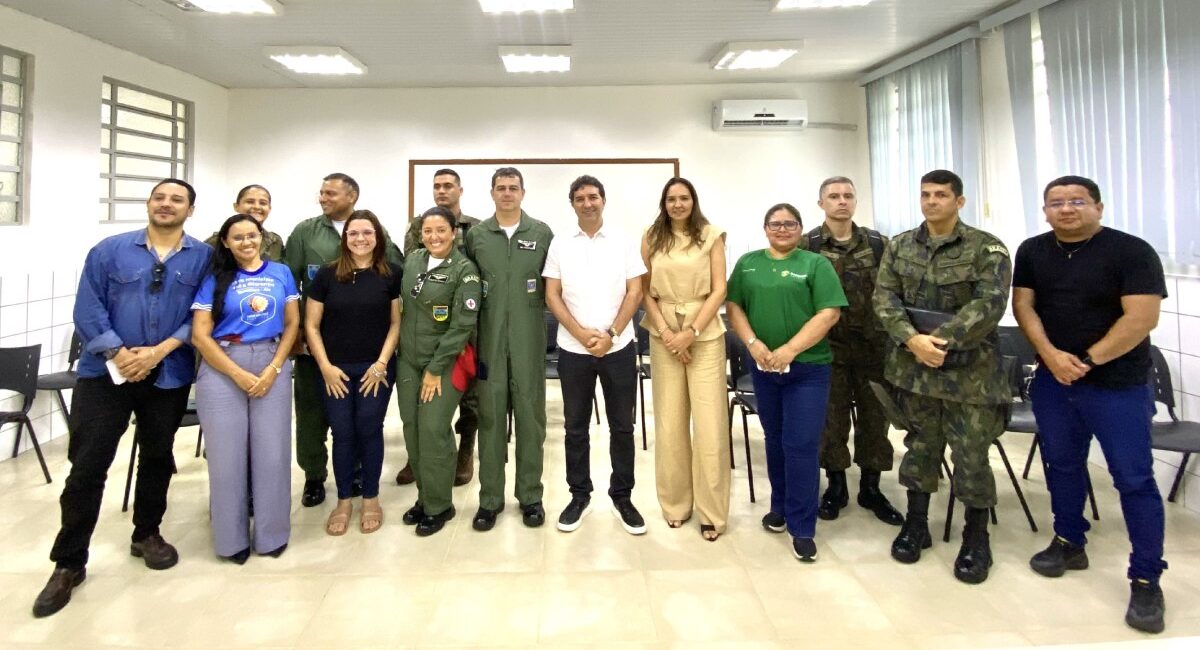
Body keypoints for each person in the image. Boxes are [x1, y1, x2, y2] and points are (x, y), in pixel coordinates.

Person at [33, 179, 212, 618]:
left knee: (157, 456)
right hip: (104, 375)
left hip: (166, 373)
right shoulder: (109, 251)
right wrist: (118, 351)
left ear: (190, 210)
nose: (166, 205)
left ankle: (146, 533)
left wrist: (158, 351)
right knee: (88, 465)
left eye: (177, 200)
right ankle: (69, 562)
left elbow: (202, 314)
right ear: (149, 204)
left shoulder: (204, 258)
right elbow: (87, 307)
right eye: (160, 197)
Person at [1013, 175, 1168, 633]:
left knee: (1134, 479)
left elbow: (1142, 318)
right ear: (1045, 211)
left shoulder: (1131, 251)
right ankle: (1068, 540)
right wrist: (1050, 357)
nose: (1066, 209)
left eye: (1077, 201)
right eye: (1056, 203)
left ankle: (1145, 577)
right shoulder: (1034, 251)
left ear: (1098, 207)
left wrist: (1083, 361)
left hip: (1117, 384)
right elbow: (1024, 307)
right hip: (1054, 381)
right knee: (1062, 464)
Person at [872, 169, 1011, 585]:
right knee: (920, 449)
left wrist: (940, 341)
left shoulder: (986, 248)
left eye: (941, 195)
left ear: (959, 201)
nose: (931, 201)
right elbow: (885, 296)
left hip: (969, 375)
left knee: (970, 456)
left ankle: (976, 537)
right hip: (916, 372)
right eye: (925, 195)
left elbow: (990, 304)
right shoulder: (899, 246)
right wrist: (912, 341)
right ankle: (917, 525)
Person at [727, 203, 846, 562]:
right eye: (775, 224)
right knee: (775, 440)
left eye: (789, 223)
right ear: (765, 228)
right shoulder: (748, 263)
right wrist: (754, 345)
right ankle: (779, 507)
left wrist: (790, 350)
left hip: (807, 370)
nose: (782, 229)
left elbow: (830, 313)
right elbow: (735, 307)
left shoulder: (815, 264)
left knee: (801, 445)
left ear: (800, 228)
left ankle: (802, 525)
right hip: (763, 368)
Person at [284, 173, 403, 508]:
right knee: (320, 419)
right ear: (345, 238)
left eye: (331, 193)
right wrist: (302, 343)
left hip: (372, 358)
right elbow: (288, 285)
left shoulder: (383, 252)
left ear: (353, 195)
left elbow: (395, 301)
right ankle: (319, 480)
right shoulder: (307, 235)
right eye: (321, 192)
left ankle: (366, 486)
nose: (323, 198)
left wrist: (382, 363)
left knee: (366, 422)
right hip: (320, 352)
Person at [191, 214, 300, 563]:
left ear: (261, 237)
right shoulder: (213, 278)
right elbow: (199, 335)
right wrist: (237, 374)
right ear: (225, 242)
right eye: (237, 237)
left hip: (271, 361)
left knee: (273, 454)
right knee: (226, 459)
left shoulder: (281, 273)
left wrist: (274, 367)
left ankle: (271, 536)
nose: (246, 243)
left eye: (251, 236)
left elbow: (293, 322)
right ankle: (230, 541)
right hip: (223, 366)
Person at [544, 175, 647, 535]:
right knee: (575, 427)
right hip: (574, 351)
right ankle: (579, 495)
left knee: (622, 426)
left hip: (618, 348)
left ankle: (622, 496)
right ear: (572, 204)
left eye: (593, 197)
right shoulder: (559, 244)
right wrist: (579, 333)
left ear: (604, 200)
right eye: (580, 198)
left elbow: (635, 291)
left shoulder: (623, 241)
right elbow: (552, 295)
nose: (587, 203)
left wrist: (612, 333)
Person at [805, 177, 902, 525]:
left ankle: (872, 487)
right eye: (833, 196)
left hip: (874, 350)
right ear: (822, 204)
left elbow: (897, 293)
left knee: (876, 422)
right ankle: (836, 486)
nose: (841, 201)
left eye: (848, 195)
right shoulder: (808, 245)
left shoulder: (879, 244)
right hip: (827, 350)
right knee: (831, 422)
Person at [640, 177, 730, 541]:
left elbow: (720, 287)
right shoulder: (651, 236)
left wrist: (690, 332)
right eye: (671, 198)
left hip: (703, 332)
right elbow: (642, 289)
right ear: (664, 202)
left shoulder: (711, 235)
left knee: (709, 425)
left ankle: (712, 513)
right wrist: (666, 333)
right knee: (671, 423)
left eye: (684, 198)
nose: (677, 204)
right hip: (663, 332)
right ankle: (675, 505)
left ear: (693, 200)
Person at [464, 167, 554, 531]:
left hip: (530, 345)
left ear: (523, 192)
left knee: (532, 422)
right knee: (490, 421)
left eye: (512, 188)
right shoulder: (477, 236)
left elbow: (556, 287)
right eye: (500, 188)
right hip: (488, 345)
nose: (506, 193)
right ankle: (490, 500)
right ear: (491, 193)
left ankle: (531, 497)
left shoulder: (542, 233)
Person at [304, 210, 402, 535]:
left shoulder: (391, 274)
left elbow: (396, 323)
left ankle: (371, 498)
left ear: (378, 237)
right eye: (353, 233)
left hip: (376, 369)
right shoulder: (327, 275)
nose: (360, 239)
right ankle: (344, 499)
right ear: (345, 238)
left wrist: (382, 363)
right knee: (342, 433)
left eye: (367, 233)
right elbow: (311, 325)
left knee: (369, 429)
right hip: (335, 371)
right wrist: (326, 368)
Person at [397, 206, 481, 536]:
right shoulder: (414, 261)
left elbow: (463, 324)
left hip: (444, 361)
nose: (434, 237)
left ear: (453, 233)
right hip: (409, 359)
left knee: (433, 429)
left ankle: (440, 504)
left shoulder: (465, 270)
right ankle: (424, 496)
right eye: (427, 231)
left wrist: (434, 369)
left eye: (440, 231)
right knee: (412, 428)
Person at [205, 184, 284, 261]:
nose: (257, 207)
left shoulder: (275, 241)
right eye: (250, 202)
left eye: (263, 203)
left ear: (269, 208)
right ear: (236, 206)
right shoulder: (216, 242)